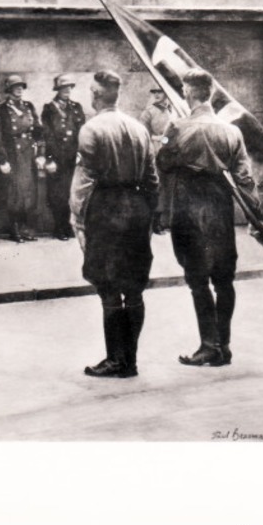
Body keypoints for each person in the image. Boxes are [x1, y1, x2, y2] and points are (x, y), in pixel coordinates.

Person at [157, 68, 261, 367]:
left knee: (198, 280)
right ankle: (223, 346)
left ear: (188, 93)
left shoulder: (176, 126)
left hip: (188, 206)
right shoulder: (231, 131)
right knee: (224, 279)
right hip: (220, 206)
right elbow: (245, 178)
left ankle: (208, 345)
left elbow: (162, 163)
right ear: (211, 94)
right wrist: (256, 219)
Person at [71, 70, 158, 378]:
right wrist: (148, 216)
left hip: (105, 209)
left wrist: (77, 221)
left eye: (91, 92)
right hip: (136, 208)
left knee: (108, 286)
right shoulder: (138, 128)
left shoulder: (91, 129)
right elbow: (152, 181)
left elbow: (84, 182)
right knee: (134, 289)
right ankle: (130, 362)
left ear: (96, 95)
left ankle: (115, 359)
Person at [0, 74, 44, 243]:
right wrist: (2, 160)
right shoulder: (1, 110)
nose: (19, 89)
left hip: (28, 153)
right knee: (14, 193)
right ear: (9, 90)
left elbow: (39, 131)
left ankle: (26, 228)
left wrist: (41, 153)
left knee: (29, 192)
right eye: (15, 86)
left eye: (21, 86)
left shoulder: (29, 107)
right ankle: (15, 229)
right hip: (12, 154)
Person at [41, 74, 86, 239]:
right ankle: (59, 227)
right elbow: (47, 135)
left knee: (71, 192)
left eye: (69, 88)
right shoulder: (49, 108)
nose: (67, 91)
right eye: (63, 88)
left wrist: (80, 153)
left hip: (73, 158)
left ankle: (69, 225)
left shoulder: (76, 107)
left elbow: (82, 131)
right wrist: (50, 158)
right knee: (57, 194)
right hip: (57, 157)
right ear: (58, 90)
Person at [139, 85, 174, 231]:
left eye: (160, 91)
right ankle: (156, 222)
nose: (157, 95)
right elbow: (142, 132)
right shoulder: (149, 112)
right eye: (154, 92)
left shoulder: (175, 110)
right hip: (156, 150)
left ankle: (170, 221)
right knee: (157, 185)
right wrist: (159, 138)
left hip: (173, 152)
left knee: (171, 186)